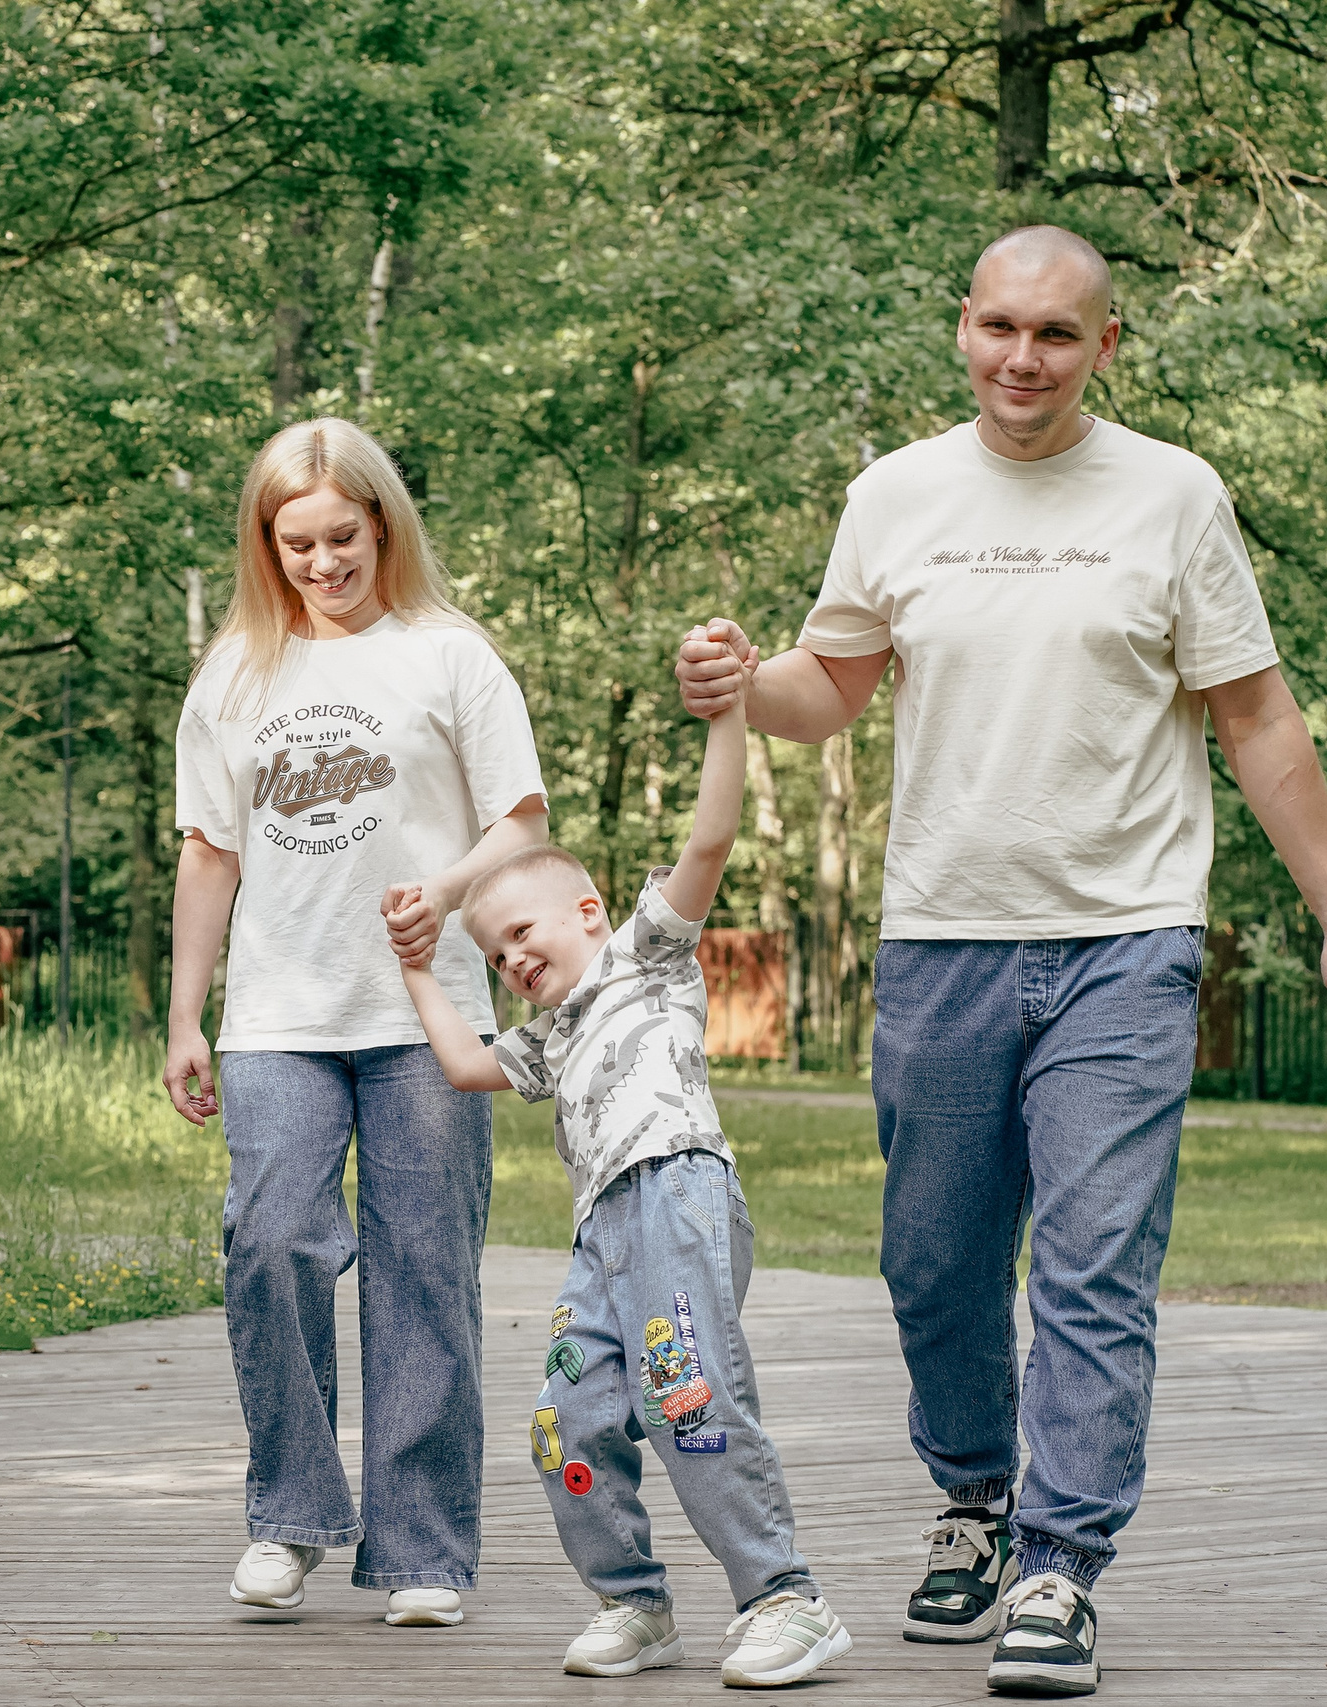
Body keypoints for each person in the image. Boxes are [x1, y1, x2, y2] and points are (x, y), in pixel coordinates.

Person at [678, 225, 1327, 1698]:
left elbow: (1257, 717)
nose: (1024, 358)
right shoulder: (897, 495)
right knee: (933, 1261)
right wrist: (744, 684)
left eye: (1058, 334)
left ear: (1107, 346)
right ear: (962, 328)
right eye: (1000, 326)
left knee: (1092, 1263)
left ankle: (1062, 1565)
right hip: (944, 937)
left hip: (1127, 939)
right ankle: (978, 1494)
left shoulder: (1175, 496)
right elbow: (832, 689)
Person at [390, 680, 853, 1688]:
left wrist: (727, 718)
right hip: (601, 1232)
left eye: (523, 933)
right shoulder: (545, 1037)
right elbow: (468, 1067)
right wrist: (423, 969)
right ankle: (634, 1603)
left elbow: (708, 843)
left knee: (688, 1399)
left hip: (677, 1192)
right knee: (566, 1422)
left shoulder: (647, 957)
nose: (512, 957)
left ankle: (786, 1598)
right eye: (495, 952)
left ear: (588, 912)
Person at [169, 416, 550, 1627]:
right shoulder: (236, 670)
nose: (324, 564)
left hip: (426, 1015)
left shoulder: (449, 654)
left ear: (382, 524)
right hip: (277, 1012)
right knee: (272, 1242)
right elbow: (209, 853)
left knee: (424, 1271)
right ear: (264, 546)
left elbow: (523, 824)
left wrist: (444, 892)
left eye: (344, 537)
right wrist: (185, 1012)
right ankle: (290, 1518)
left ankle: (423, 1550)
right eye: (297, 545)